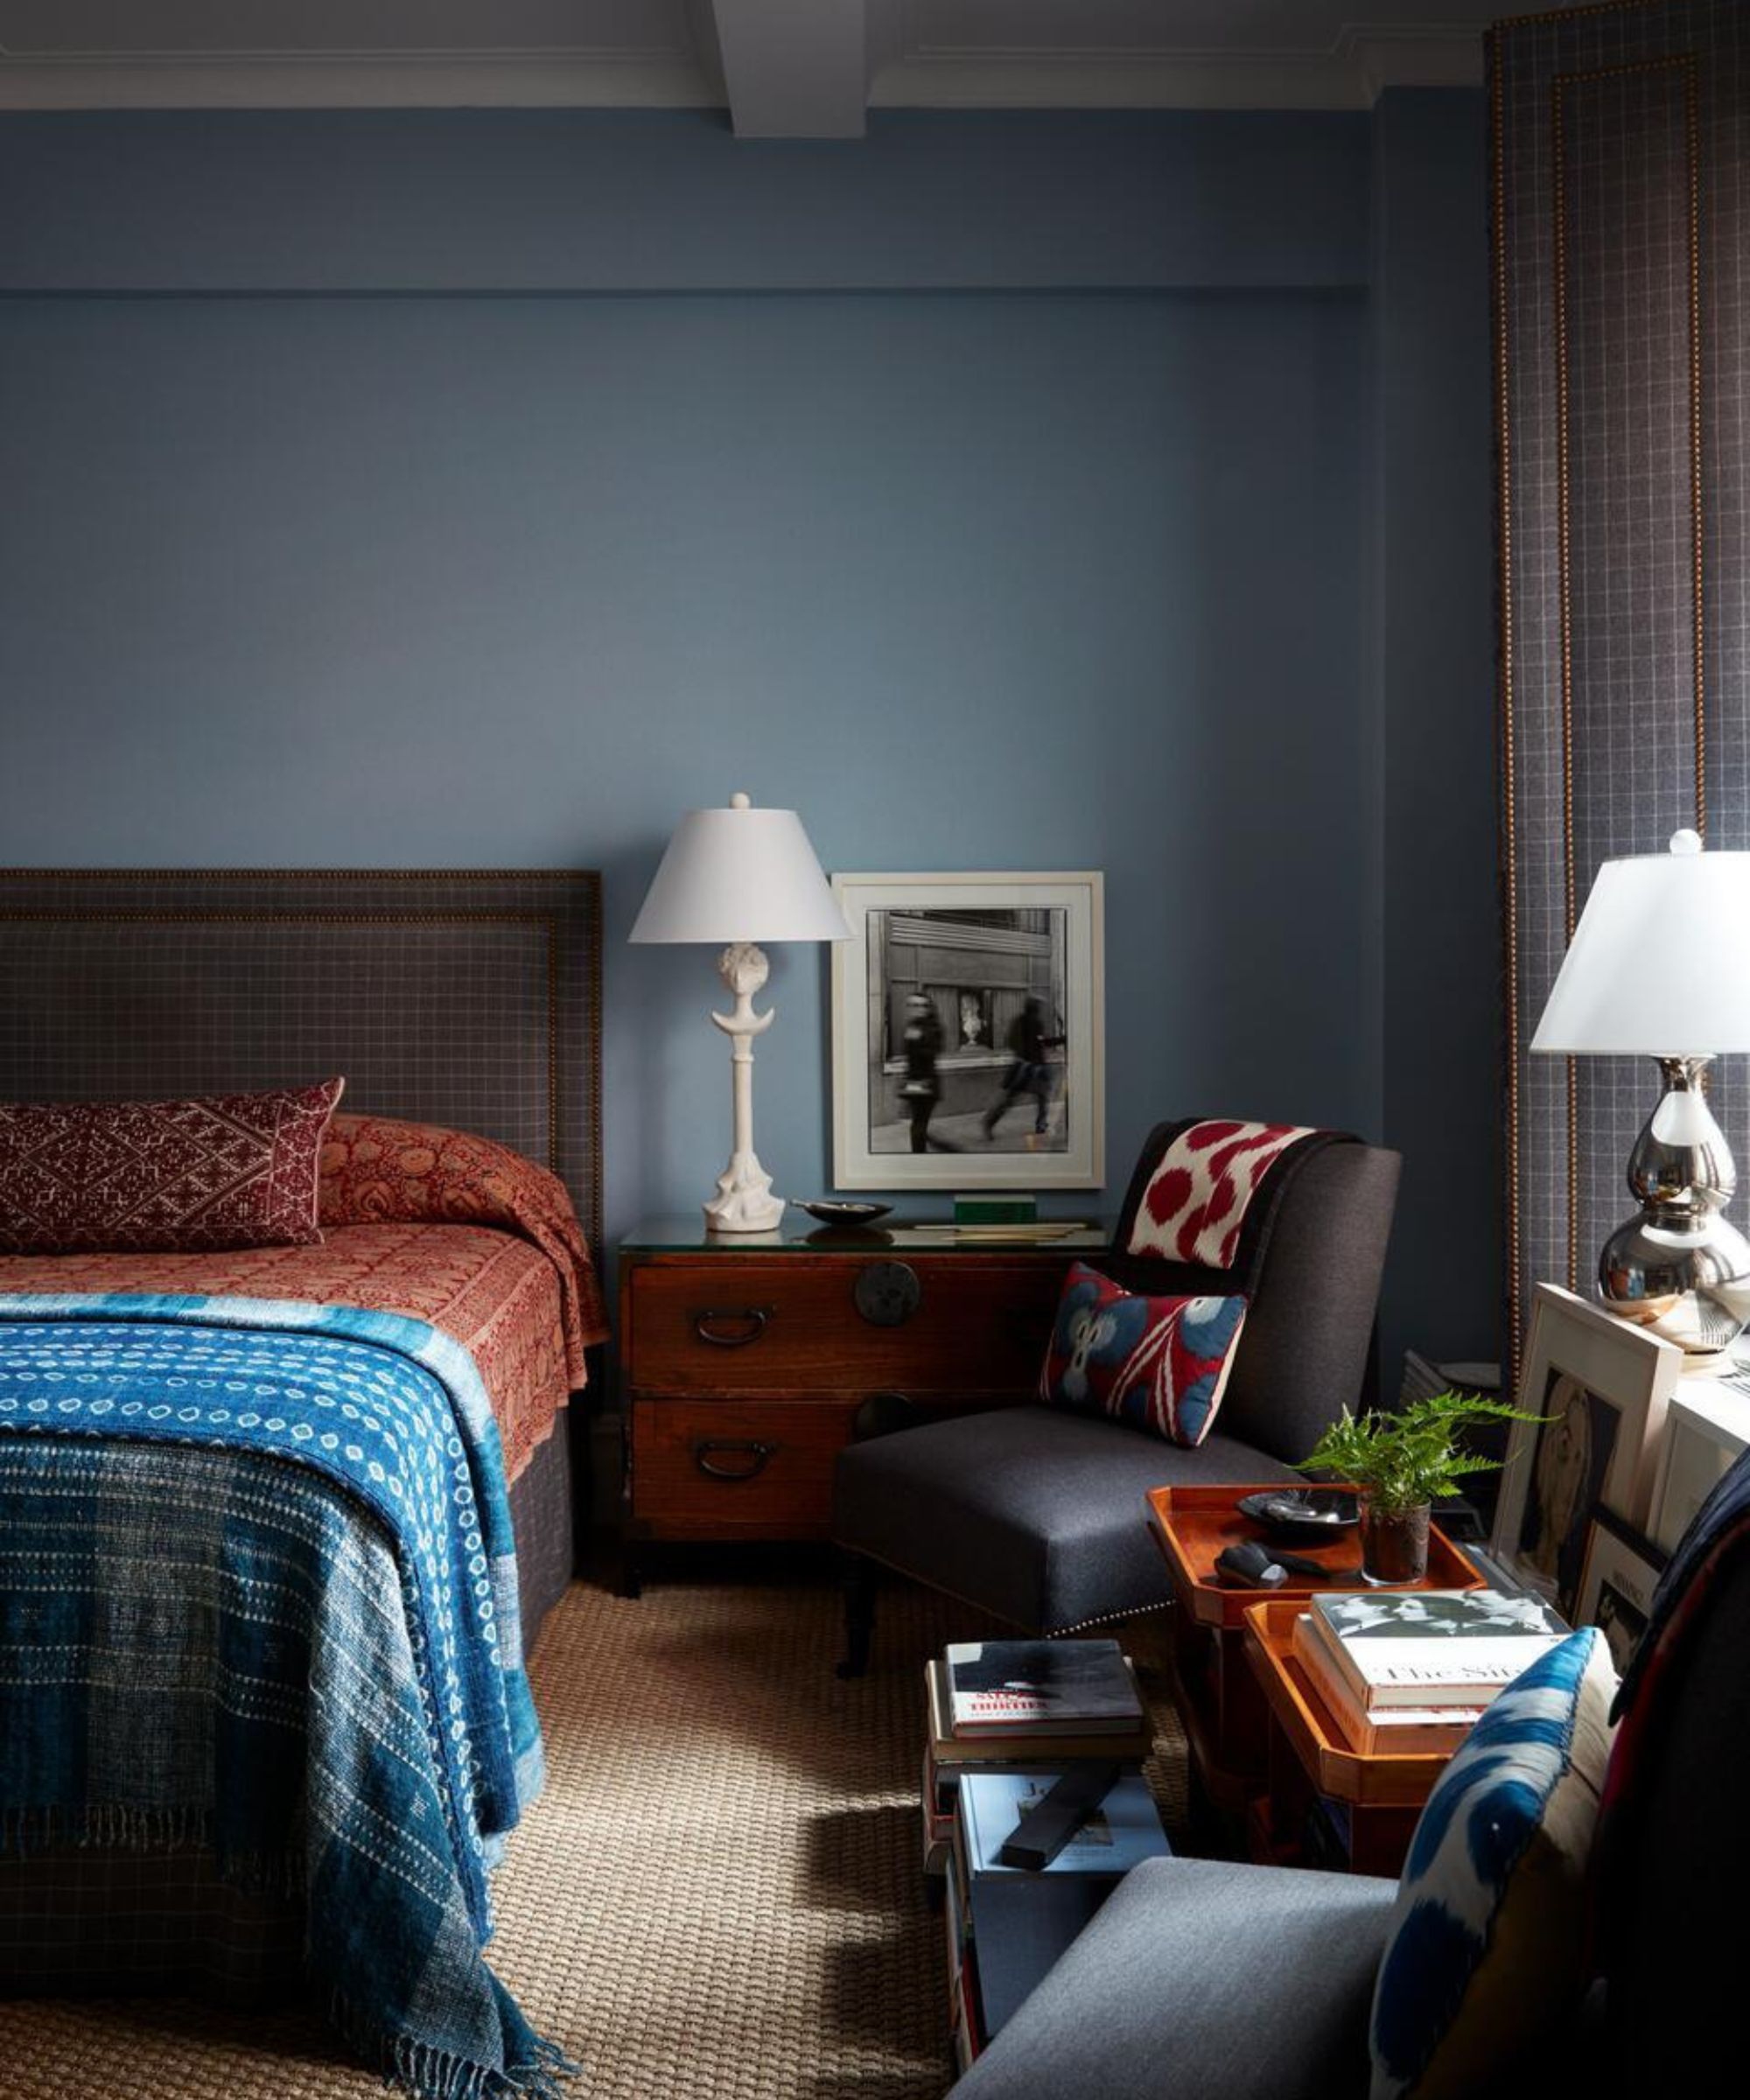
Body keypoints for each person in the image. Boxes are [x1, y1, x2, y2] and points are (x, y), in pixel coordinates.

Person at [982, 996, 1064, 1140]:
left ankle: (989, 1122)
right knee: (1040, 1097)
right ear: (1035, 1008)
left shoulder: (1019, 1021)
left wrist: (1023, 1055)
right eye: (1038, 1006)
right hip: (1031, 1068)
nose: (1039, 1009)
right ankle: (1040, 1125)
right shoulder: (1034, 1022)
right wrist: (1061, 1039)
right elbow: (1041, 1043)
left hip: (1024, 1067)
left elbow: (1013, 1042)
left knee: (1013, 1099)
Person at [899, 993, 958, 1153]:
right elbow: (908, 1056)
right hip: (913, 1082)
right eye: (913, 1005)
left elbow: (933, 1052)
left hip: (926, 1082)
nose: (918, 1009)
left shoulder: (933, 1027)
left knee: (919, 1124)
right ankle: (927, 1149)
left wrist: (918, 1039)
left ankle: (921, 1154)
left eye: (922, 1005)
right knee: (918, 1124)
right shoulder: (911, 1026)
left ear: (928, 1008)